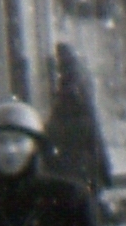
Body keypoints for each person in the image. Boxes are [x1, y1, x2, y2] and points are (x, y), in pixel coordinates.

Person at [40, 42, 112, 203]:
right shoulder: (81, 99)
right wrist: (106, 173)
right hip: (82, 170)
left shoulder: (58, 106)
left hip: (65, 168)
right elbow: (95, 141)